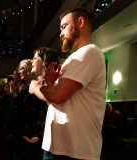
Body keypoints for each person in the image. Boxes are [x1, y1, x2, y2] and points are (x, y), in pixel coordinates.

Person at [29, 7, 106, 160]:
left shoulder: (89, 52)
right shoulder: (75, 57)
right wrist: (51, 84)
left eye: (64, 26)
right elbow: (59, 102)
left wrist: (35, 87)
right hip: (58, 147)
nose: (61, 33)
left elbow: (58, 96)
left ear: (81, 22)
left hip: (75, 151)